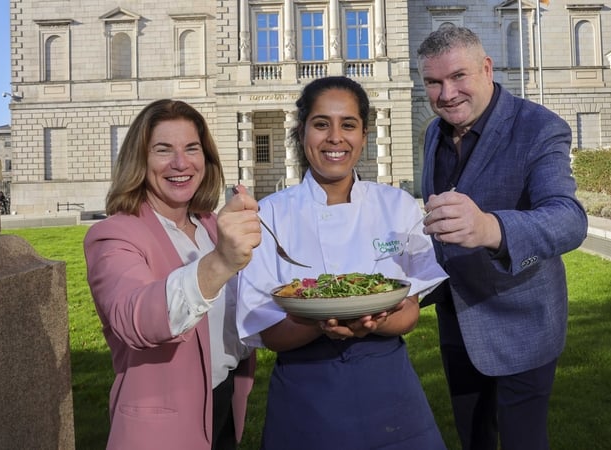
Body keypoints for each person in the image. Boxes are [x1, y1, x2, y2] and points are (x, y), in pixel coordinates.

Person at [235, 76, 449, 450]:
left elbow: (409, 312)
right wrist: (322, 324)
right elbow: (269, 331)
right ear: (302, 133)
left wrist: (372, 320)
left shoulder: (395, 205)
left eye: (348, 124)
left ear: (364, 135)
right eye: (322, 124)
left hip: (389, 386)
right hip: (307, 390)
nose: (336, 137)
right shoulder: (270, 215)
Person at [416, 26, 589, 450]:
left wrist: (489, 228)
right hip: (456, 316)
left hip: (523, 321)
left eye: (459, 76)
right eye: (433, 82)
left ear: (487, 69)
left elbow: (569, 220)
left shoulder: (540, 128)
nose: (447, 93)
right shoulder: (432, 133)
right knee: (473, 438)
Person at [83, 99, 261, 450]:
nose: (181, 163)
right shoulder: (114, 234)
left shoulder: (211, 225)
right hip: (162, 428)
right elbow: (135, 318)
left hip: (224, 404)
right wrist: (221, 262)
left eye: (191, 148)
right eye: (163, 150)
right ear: (140, 160)